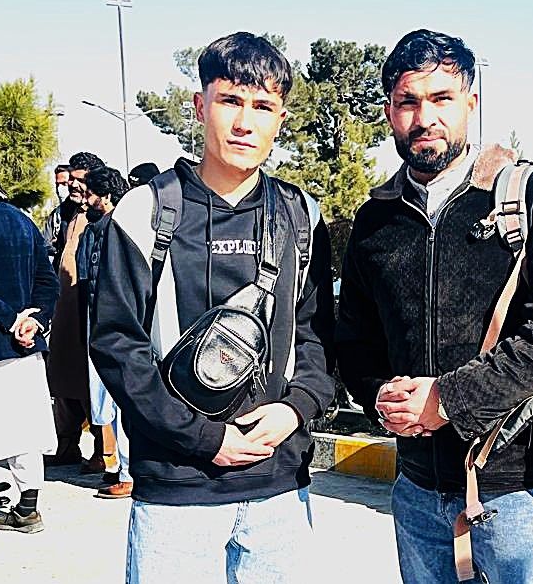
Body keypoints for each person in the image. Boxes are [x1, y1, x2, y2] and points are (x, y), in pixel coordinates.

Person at [335, 29, 533, 584]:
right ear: (389, 112)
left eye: (442, 99)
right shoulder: (376, 220)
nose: (425, 118)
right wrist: (381, 398)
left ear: (471, 103)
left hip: (521, 495)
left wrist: (448, 399)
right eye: (408, 101)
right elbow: (355, 342)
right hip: (416, 494)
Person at [90, 31, 335, 583]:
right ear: (200, 106)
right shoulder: (146, 210)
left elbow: (316, 337)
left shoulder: (301, 215)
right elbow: (117, 346)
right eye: (230, 101)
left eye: (263, 106)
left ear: (281, 120)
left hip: (280, 491)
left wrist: (295, 409)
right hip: (175, 494)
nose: (245, 122)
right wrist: (205, 438)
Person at [0, 166, 60, 536]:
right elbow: (48, 280)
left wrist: (9, 318)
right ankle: (28, 508)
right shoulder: (22, 220)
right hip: (25, 347)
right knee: (26, 428)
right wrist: (34, 320)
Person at [46, 151, 108, 470]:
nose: (72, 185)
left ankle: (103, 450)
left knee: (89, 378)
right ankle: (67, 445)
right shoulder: (67, 215)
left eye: (79, 179)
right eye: (70, 178)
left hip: (88, 306)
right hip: (64, 306)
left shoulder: (101, 217)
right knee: (61, 374)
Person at [77, 166, 132, 498]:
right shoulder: (96, 229)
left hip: (118, 325)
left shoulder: (120, 227)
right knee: (106, 402)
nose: (85, 200)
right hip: (100, 321)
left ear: (106, 195)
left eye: (90, 194)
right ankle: (117, 467)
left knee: (123, 400)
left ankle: (129, 473)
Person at [41, 164, 75, 263]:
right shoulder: (55, 215)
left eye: (64, 184)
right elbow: (44, 243)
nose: (59, 189)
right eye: (57, 185)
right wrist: (58, 249)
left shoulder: (82, 211)